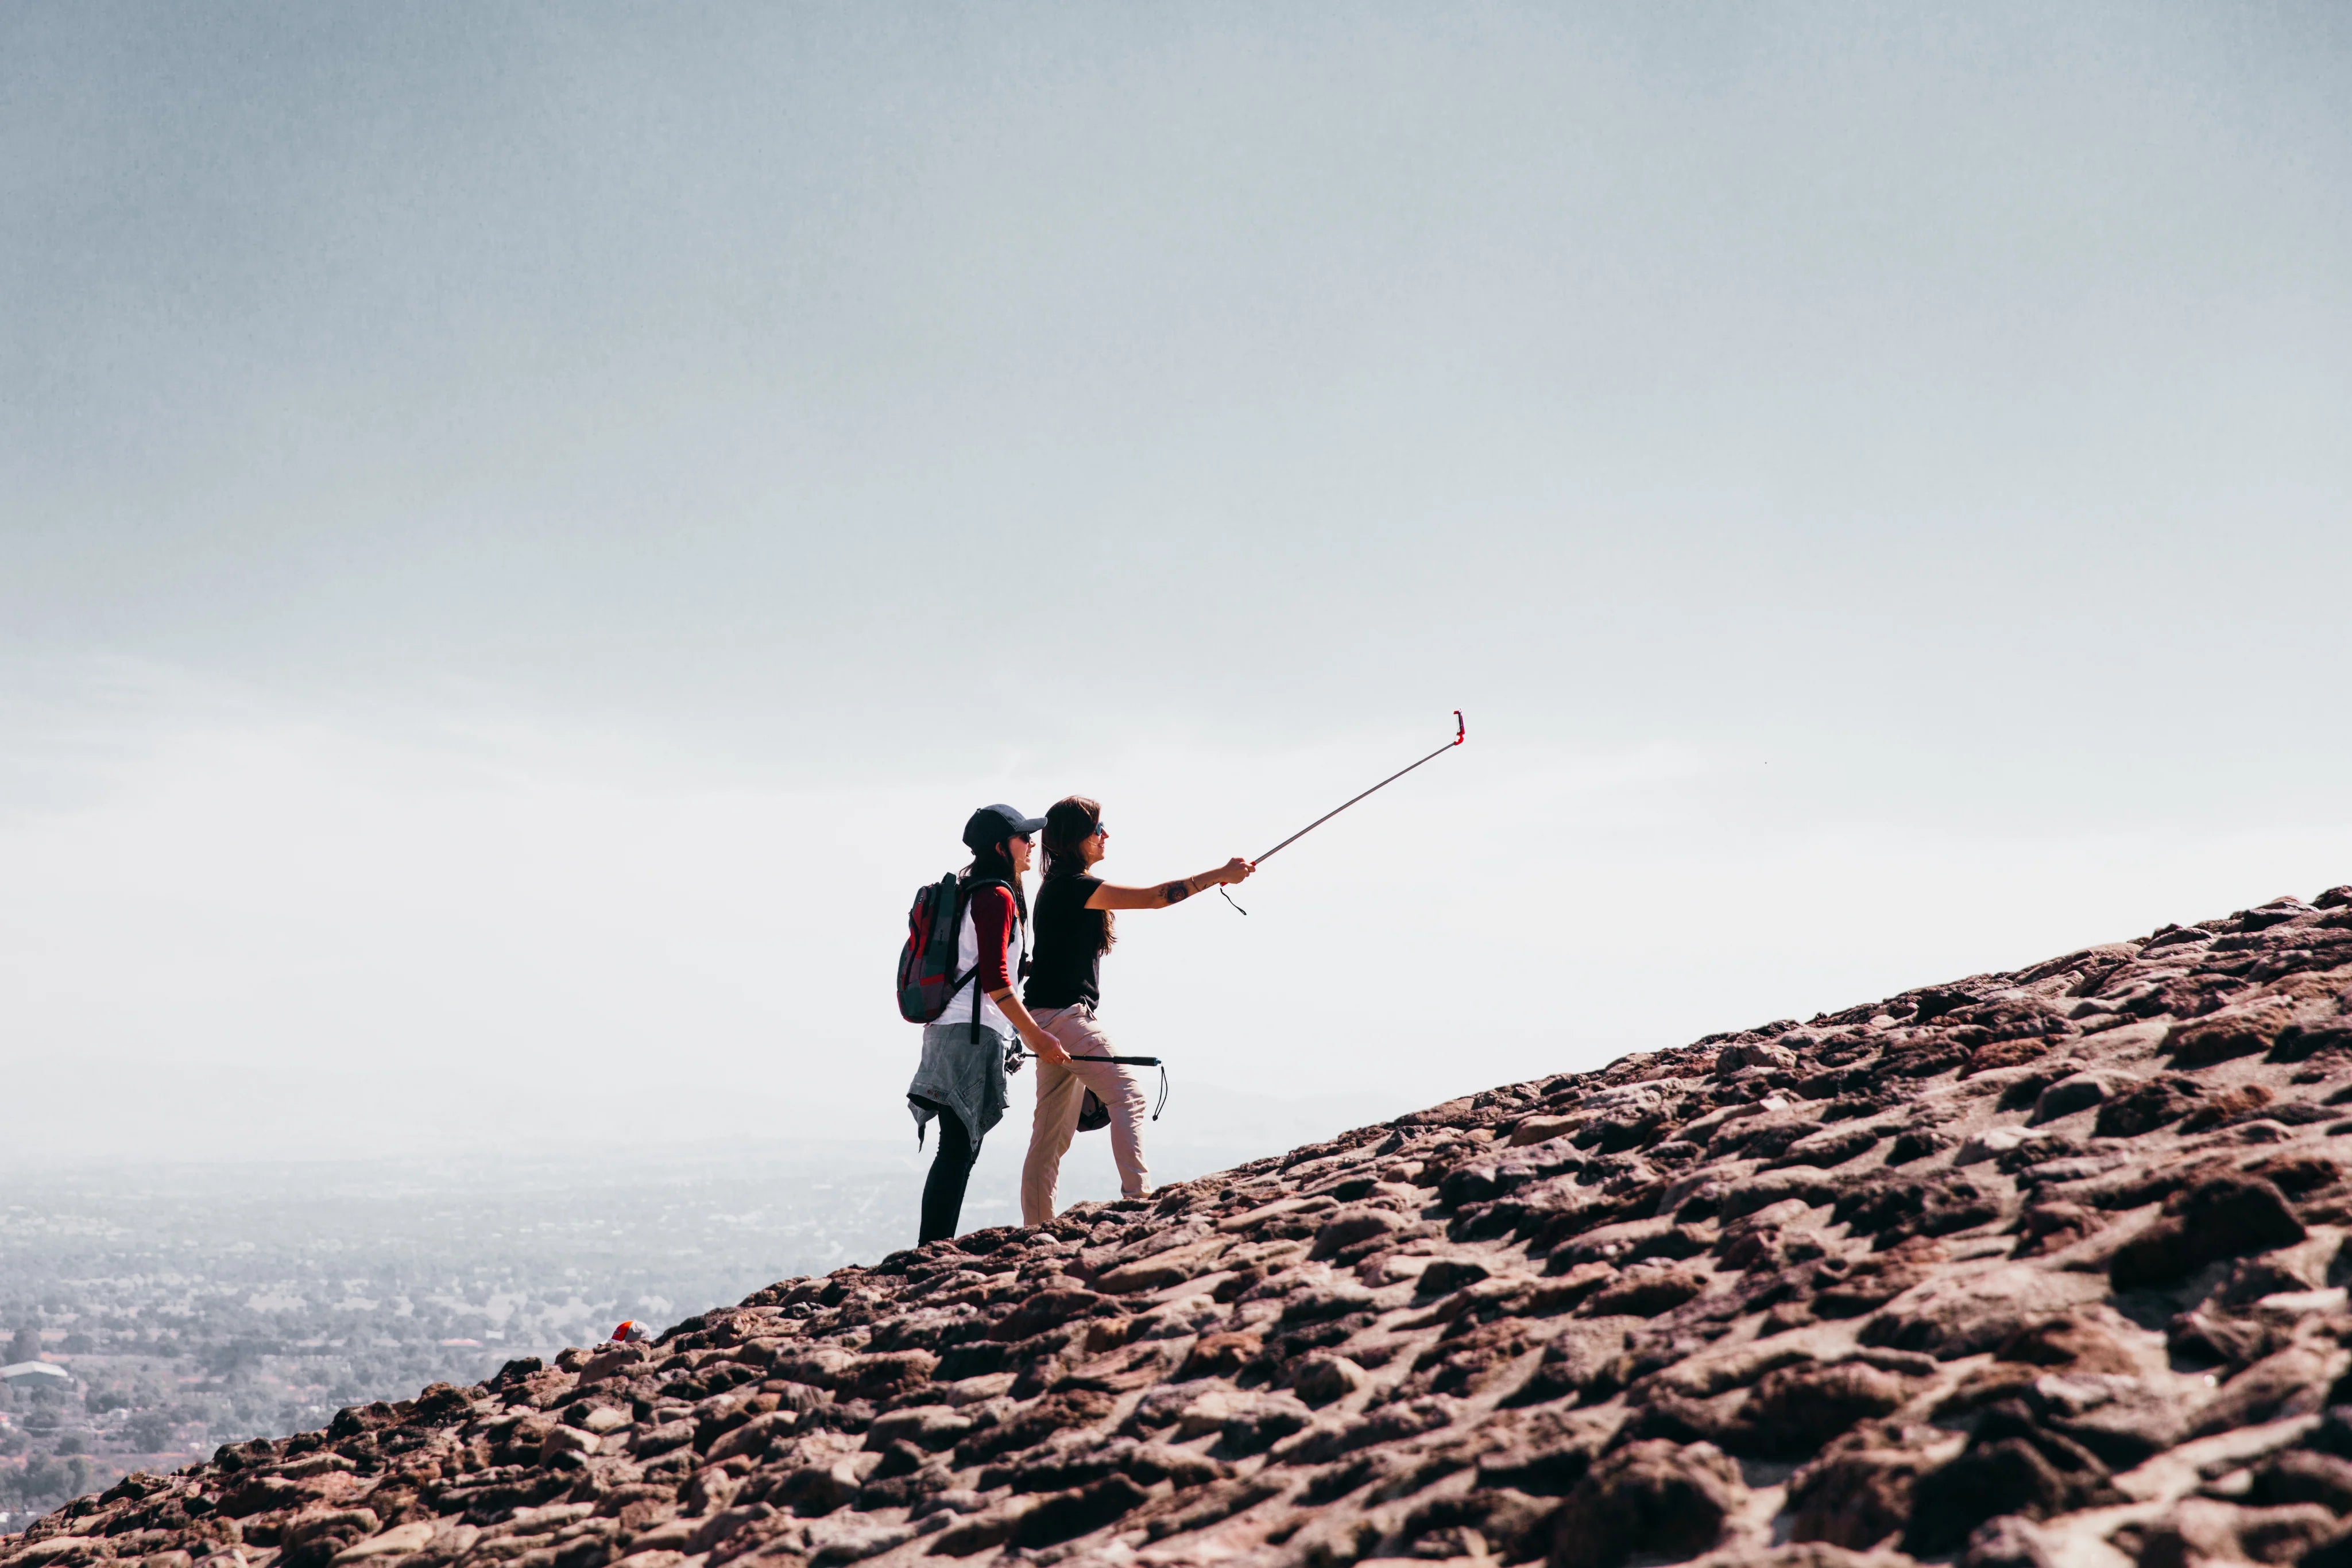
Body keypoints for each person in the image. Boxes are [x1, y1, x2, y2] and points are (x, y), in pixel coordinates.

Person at [1020, 796, 1254, 1224]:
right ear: (1077, 838)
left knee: (1049, 1138)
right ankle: (1137, 1202)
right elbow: (1155, 898)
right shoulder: (1074, 886)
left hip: (1046, 1018)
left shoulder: (1059, 886)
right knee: (1128, 1097)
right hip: (1065, 1018)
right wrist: (1220, 874)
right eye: (1098, 828)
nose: (1105, 835)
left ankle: (1036, 1229)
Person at [906, 804, 1067, 1244]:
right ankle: (932, 1250)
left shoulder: (972, 889)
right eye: (1024, 838)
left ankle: (933, 1246)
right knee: (958, 1149)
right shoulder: (995, 895)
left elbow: (987, 966)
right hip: (970, 1034)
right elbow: (995, 977)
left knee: (958, 1148)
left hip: (950, 1029)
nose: (1032, 844)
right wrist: (1037, 1035)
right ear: (1002, 847)